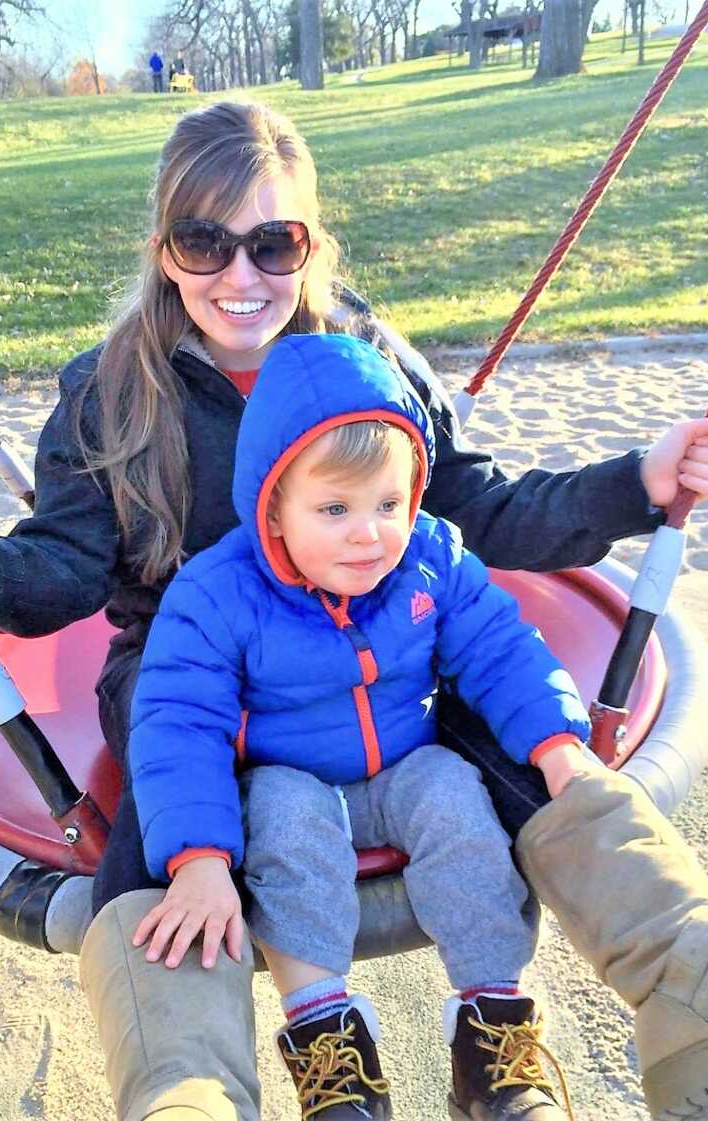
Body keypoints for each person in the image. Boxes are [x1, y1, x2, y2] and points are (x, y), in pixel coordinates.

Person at [0, 100, 708, 1121]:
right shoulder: (112, 390)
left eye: (272, 241)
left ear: (310, 242)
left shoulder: (365, 354)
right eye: (205, 242)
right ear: (165, 248)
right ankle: (187, 1087)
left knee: (528, 740)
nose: (240, 275)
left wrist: (631, 486)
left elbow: (470, 508)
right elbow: (68, 569)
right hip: (187, 665)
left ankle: (695, 982)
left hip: (375, 644)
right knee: (160, 815)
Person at [129, 331, 595, 1120]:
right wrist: (197, 858)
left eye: (388, 504)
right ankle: (328, 1043)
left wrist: (558, 744)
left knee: (457, 795)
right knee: (283, 821)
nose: (367, 532)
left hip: (406, 763)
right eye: (335, 509)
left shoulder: (430, 559)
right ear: (273, 505)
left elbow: (501, 646)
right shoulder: (217, 592)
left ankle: (493, 1027)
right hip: (290, 771)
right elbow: (178, 722)